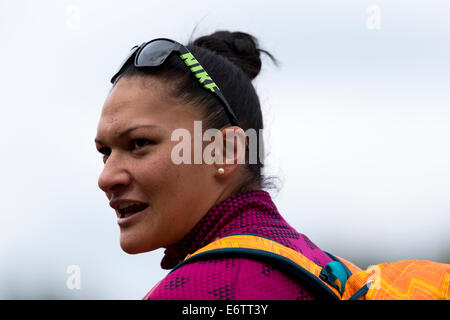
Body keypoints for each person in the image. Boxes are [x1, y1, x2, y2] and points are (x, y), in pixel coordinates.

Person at [95, 30, 335, 300]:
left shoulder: (197, 291)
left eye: (139, 143)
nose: (106, 178)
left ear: (225, 151)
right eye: (105, 152)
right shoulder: (327, 270)